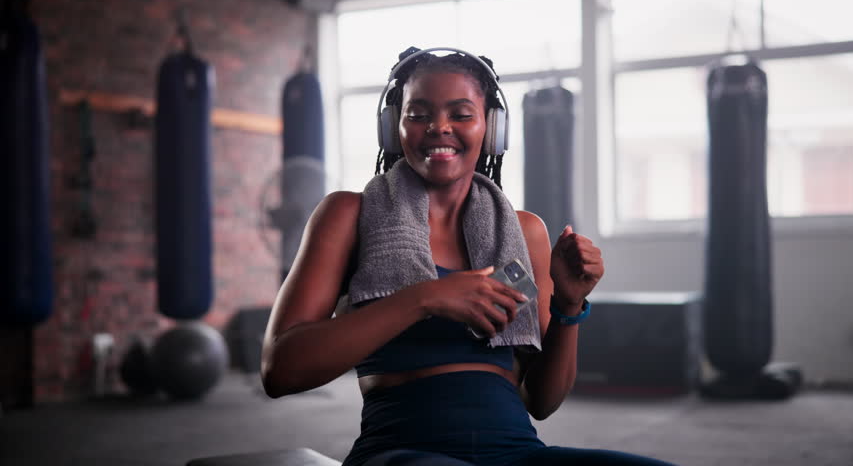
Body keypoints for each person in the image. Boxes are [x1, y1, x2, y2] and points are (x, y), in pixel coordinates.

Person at [261, 47, 676, 466]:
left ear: (492, 128)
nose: (439, 127)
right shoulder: (348, 214)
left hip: (516, 453)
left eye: (461, 114)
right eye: (419, 114)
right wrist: (424, 298)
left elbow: (542, 401)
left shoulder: (524, 231)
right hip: (401, 453)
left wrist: (568, 306)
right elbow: (281, 370)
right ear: (393, 127)